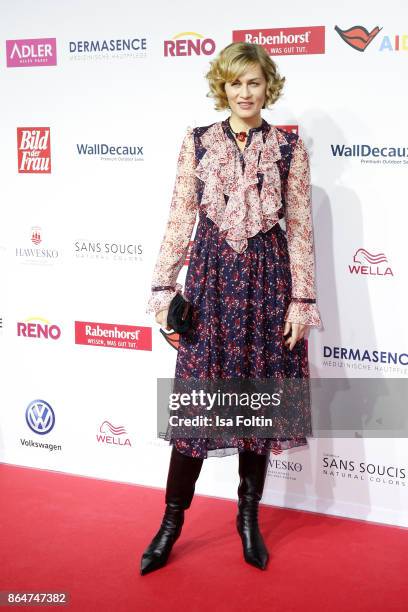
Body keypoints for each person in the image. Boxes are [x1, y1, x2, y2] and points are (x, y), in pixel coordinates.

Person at [141, 41, 322, 575]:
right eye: (236, 83)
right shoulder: (197, 143)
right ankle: (171, 523)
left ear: (269, 86)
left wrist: (301, 302)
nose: (245, 93)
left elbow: (301, 232)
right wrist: (161, 292)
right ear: (223, 87)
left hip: (268, 283)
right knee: (198, 407)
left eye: (255, 82)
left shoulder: (289, 148)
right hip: (211, 282)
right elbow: (179, 219)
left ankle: (248, 519)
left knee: (257, 405)